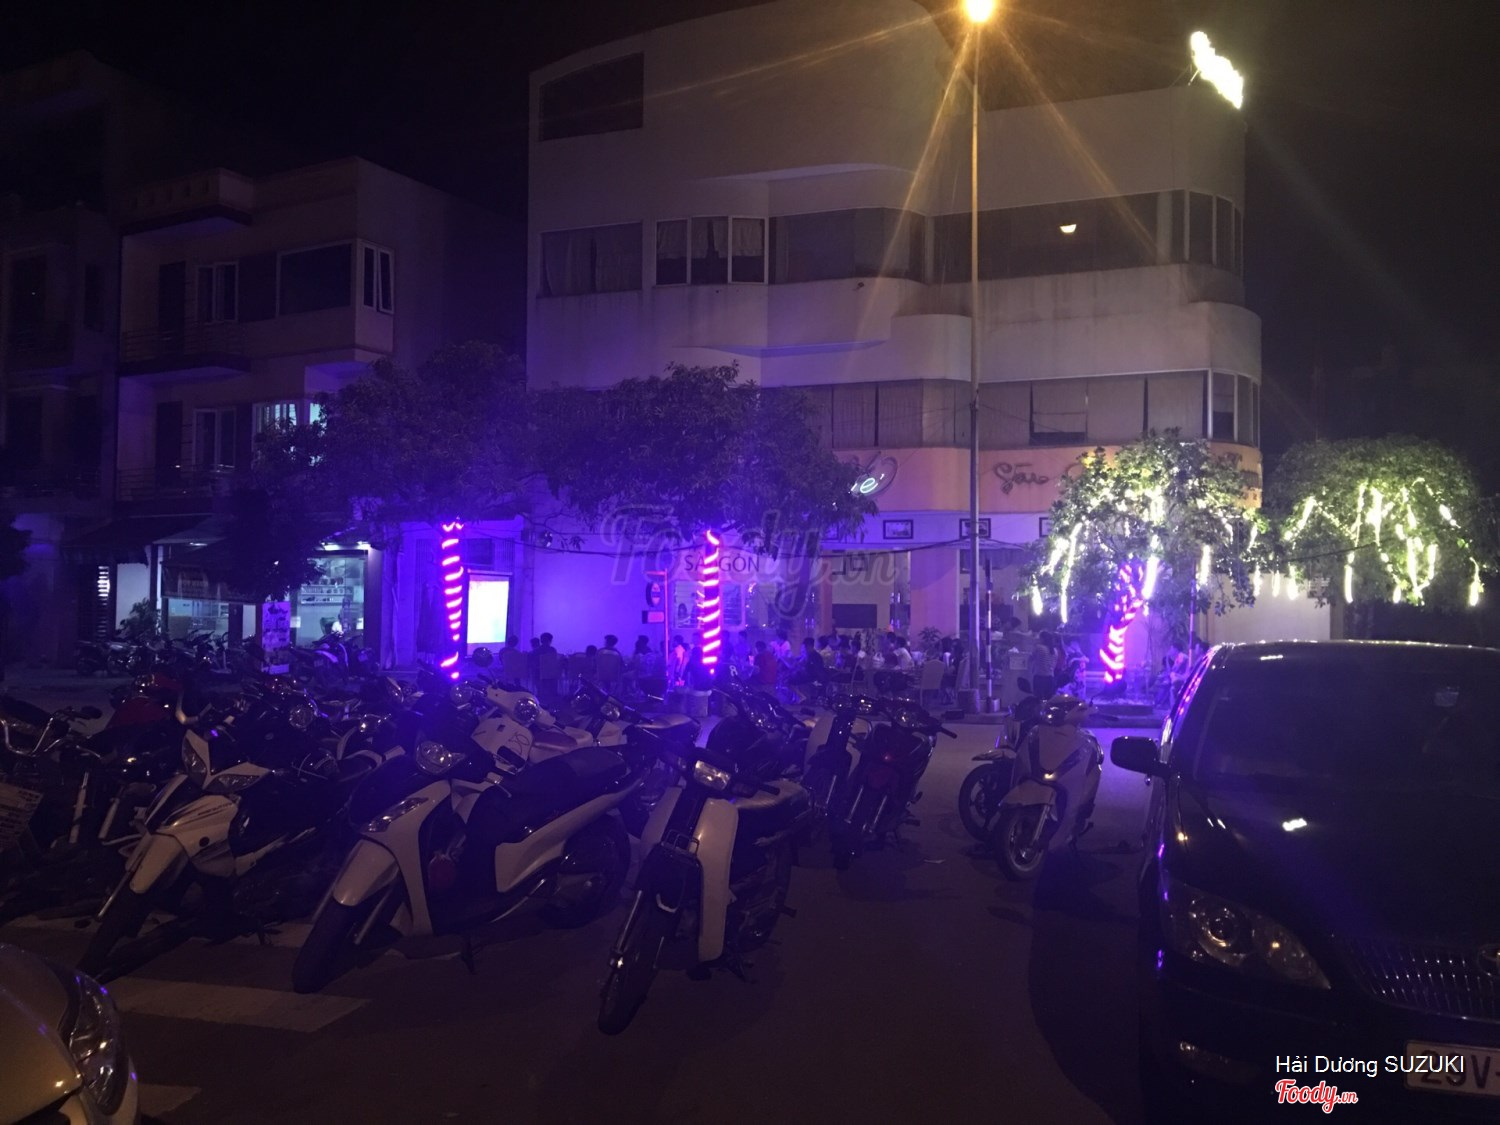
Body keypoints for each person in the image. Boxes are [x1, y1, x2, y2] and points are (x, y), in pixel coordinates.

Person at [1029, 631, 1058, 698]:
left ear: (1042, 639)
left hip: (1039, 677)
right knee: (1048, 699)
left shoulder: (1039, 648)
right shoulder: (1055, 650)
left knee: (1038, 699)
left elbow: (1030, 659)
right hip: (1050, 678)